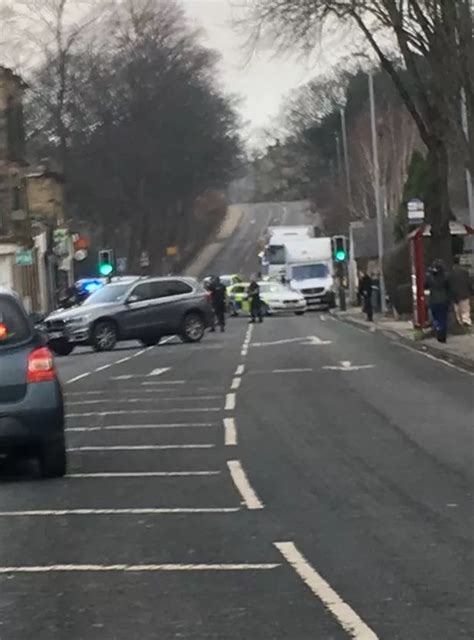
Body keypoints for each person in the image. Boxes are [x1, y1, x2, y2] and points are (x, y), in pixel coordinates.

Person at [426, 259, 451, 343]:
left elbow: (425, 285)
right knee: (443, 319)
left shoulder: (431, 277)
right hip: (444, 300)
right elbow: (449, 288)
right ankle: (442, 336)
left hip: (434, 301)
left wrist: (429, 273)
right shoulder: (446, 276)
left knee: (436, 318)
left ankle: (438, 330)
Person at [449, 256, 472, 328]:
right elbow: (469, 282)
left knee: (457, 309)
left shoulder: (451, 272)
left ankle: (460, 322)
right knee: (465, 309)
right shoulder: (464, 271)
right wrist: (470, 290)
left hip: (455, 294)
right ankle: (466, 321)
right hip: (464, 292)